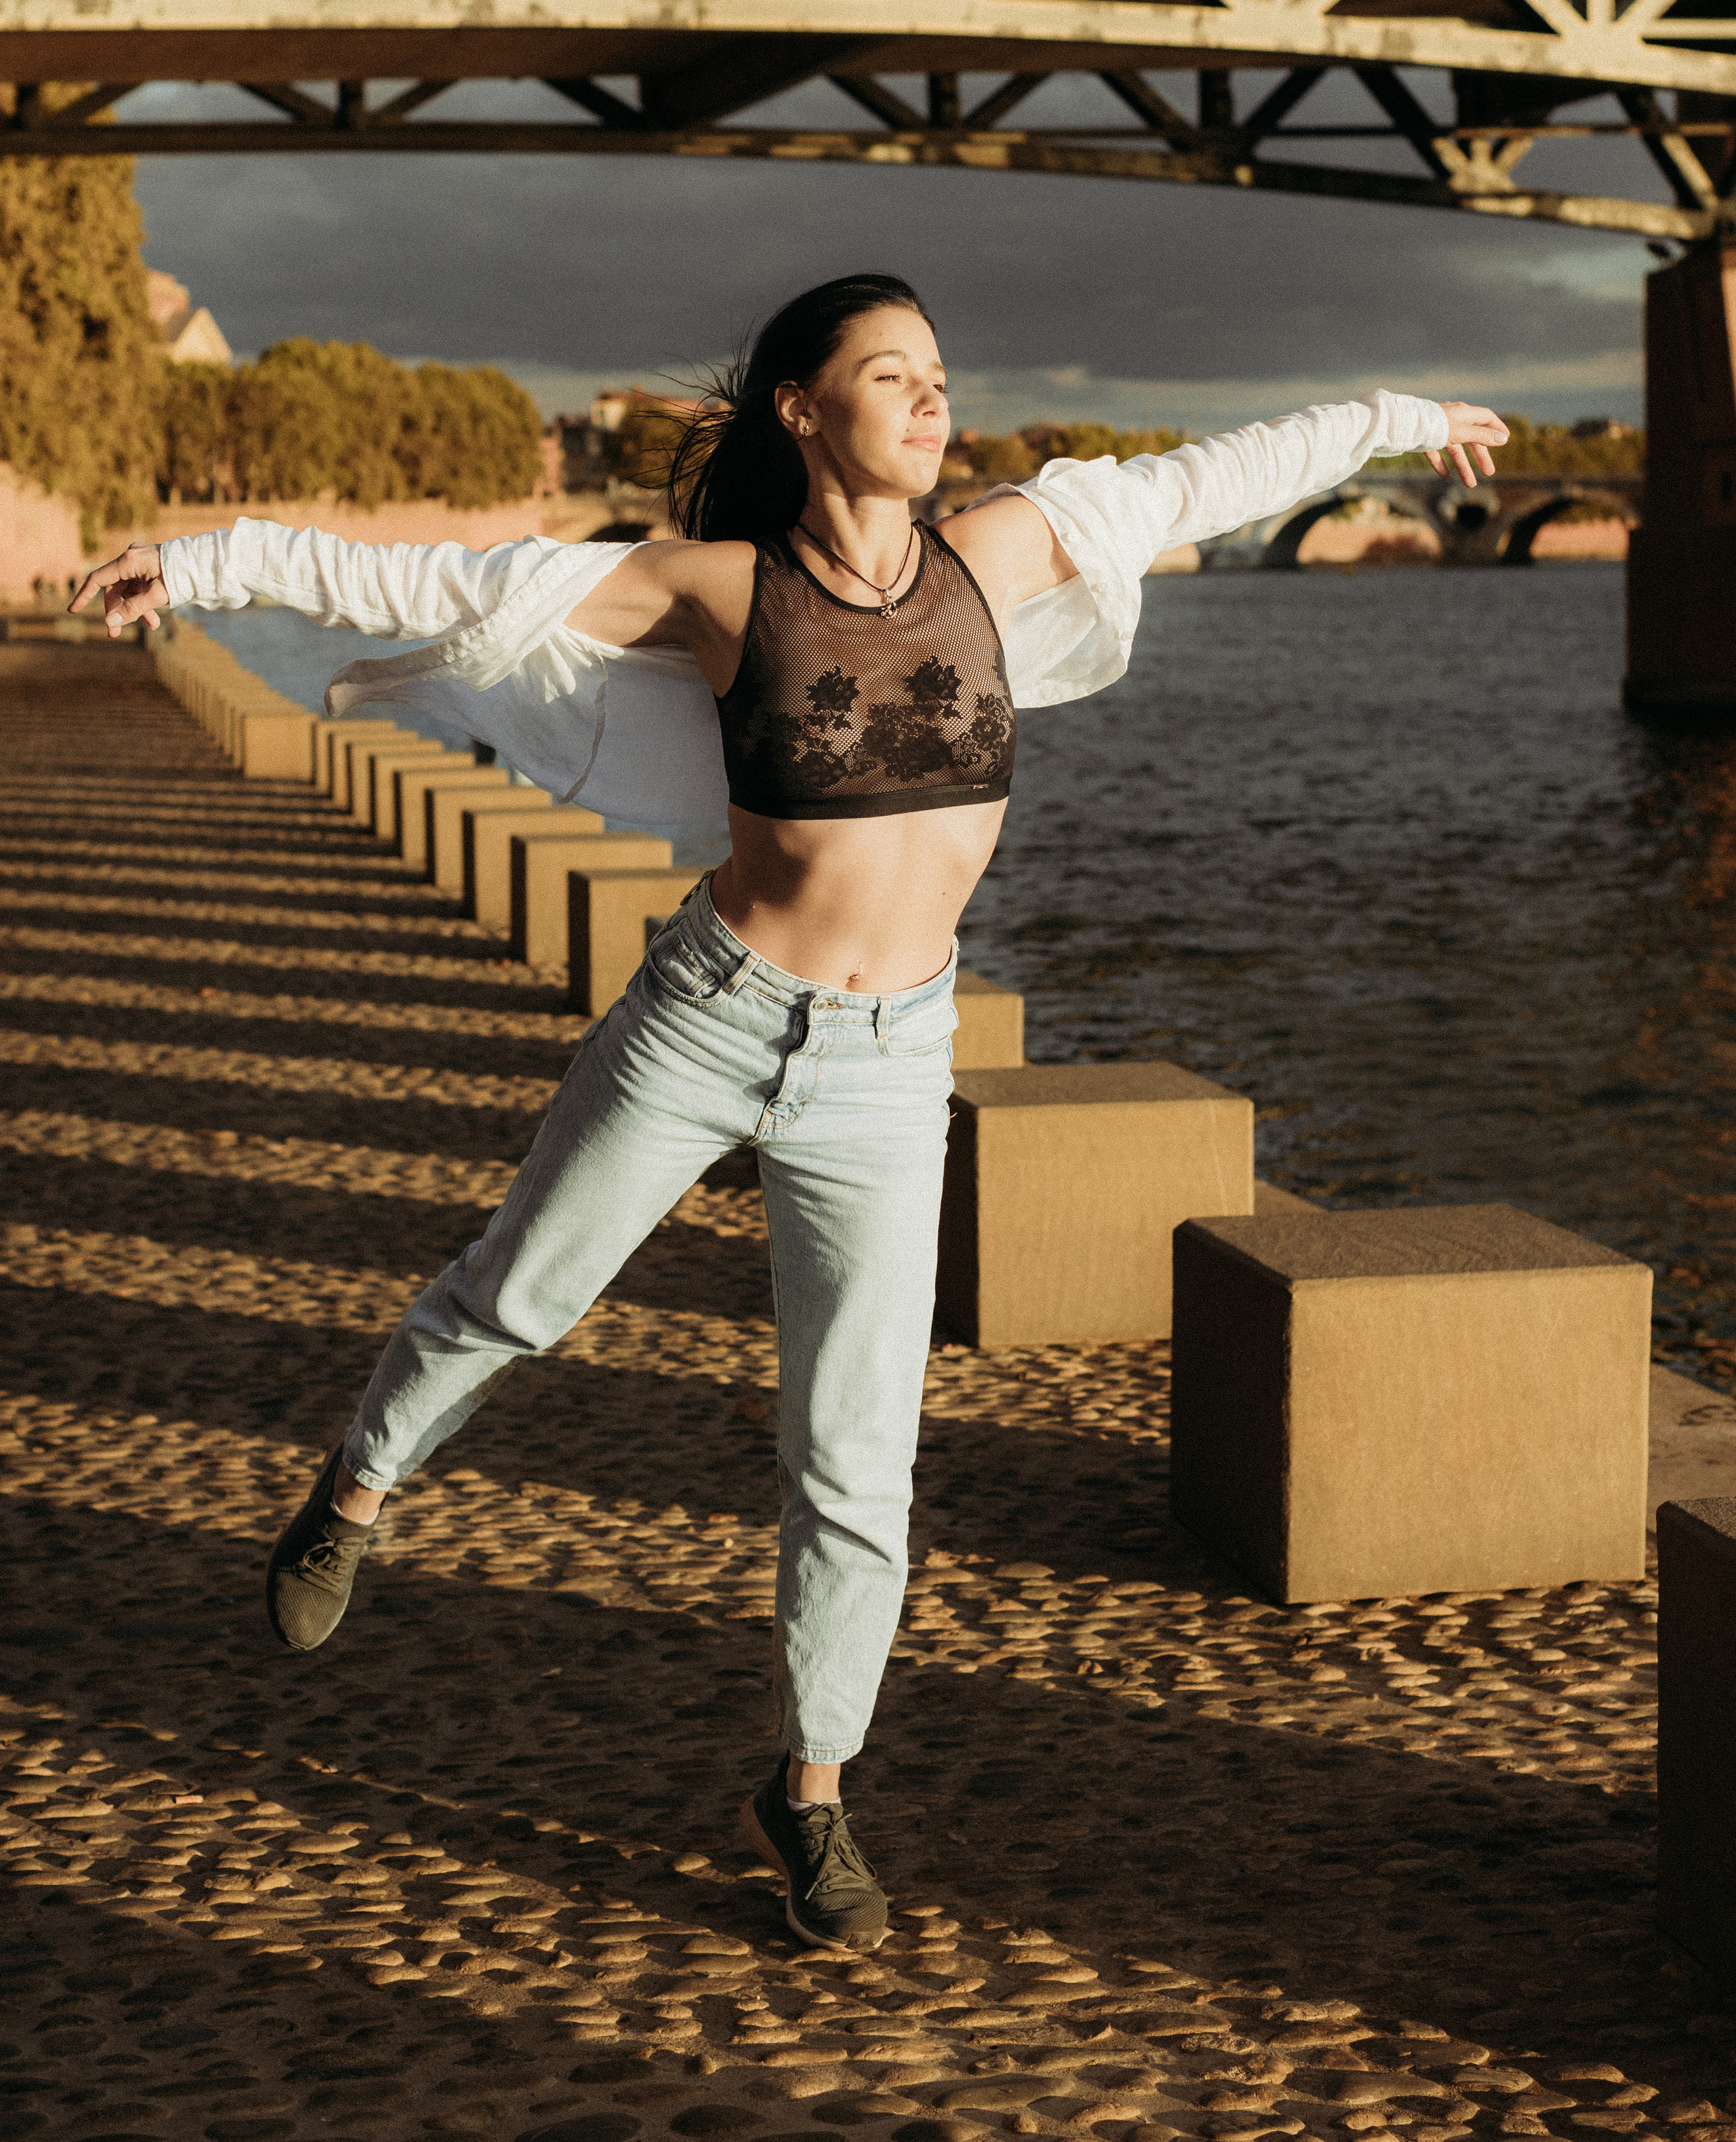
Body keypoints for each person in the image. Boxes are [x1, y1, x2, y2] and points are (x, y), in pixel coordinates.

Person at [74, 272, 1507, 1952]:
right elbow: (446, 580)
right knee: (519, 1298)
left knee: (854, 1455)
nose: (928, 396)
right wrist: (214, 558)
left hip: (893, 1063)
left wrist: (1402, 421)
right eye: (886, 373)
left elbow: (1212, 475)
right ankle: (363, 1483)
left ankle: (812, 1795)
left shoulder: (1007, 548)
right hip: (709, 1019)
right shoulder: (713, 588)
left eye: (936, 372)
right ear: (798, 410)